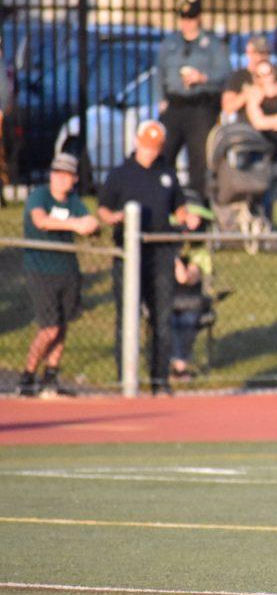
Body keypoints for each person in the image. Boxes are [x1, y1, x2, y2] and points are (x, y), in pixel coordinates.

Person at [98, 120, 201, 395]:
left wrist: (186, 217)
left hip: (161, 254)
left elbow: (178, 206)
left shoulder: (166, 173)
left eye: (155, 148)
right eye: (147, 146)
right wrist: (116, 218)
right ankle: (125, 381)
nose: (151, 152)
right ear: (137, 142)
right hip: (130, 256)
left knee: (161, 319)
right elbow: (103, 210)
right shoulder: (121, 174)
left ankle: (160, 381)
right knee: (127, 317)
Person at [17, 153, 99, 397]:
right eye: (58, 174)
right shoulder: (39, 196)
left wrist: (88, 224)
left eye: (68, 176)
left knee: (62, 327)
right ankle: (28, 375)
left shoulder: (73, 201)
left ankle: (51, 375)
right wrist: (74, 225)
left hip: (67, 271)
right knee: (49, 328)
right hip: (41, 270)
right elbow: (41, 220)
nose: (62, 180)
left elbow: (90, 221)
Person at [155, 0, 231, 199]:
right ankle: (166, 199)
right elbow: (159, 72)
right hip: (174, 105)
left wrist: (203, 78)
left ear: (199, 18)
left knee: (199, 160)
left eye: (191, 18)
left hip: (201, 107)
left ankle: (198, 205)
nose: (186, 23)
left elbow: (225, 74)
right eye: (183, 18)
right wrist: (160, 99)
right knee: (164, 154)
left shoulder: (213, 44)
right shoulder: (170, 43)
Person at [244, 60, 277, 224]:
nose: (265, 78)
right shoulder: (255, 94)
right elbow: (257, 122)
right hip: (262, 151)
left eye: (268, 73)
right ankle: (266, 226)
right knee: (265, 192)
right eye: (261, 74)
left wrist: (270, 121)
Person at [169, 208, 214, 383]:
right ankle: (177, 366)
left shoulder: (200, 253)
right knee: (169, 320)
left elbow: (186, 278)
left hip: (191, 301)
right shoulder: (166, 251)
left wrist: (178, 261)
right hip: (169, 300)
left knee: (187, 321)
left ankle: (179, 366)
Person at [221, 35, 272, 120]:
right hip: (245, 130)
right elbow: (227, 107)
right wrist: (246, 95)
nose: (260, 57)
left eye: (264, 53)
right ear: (248, 53)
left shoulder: (276, 77)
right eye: (256, 52)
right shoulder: (238, 76)